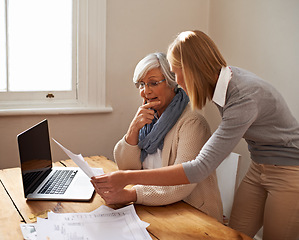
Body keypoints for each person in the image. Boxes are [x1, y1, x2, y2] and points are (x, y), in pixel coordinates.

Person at [92, 31, 299, 240]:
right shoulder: (221, 87)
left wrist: (127, 179)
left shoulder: (242, 97)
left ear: (191, 69)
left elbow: (199, 168)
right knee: (233, 235)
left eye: (175, 73)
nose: (177, 82)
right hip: (259, 166)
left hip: (289, 169)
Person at [92, 52, 223, 222]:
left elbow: (181, 184)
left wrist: (130, 194)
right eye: (141, 84)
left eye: (153, 83)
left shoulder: (192, 123)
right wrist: (133, 130)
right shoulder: (149, 117)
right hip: (157, 209)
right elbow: (126, 167)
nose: (145, 91)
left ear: (172, 83)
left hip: (193, 216)